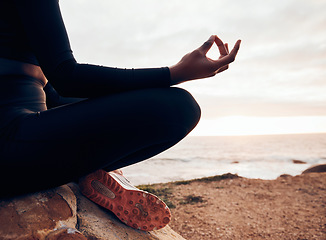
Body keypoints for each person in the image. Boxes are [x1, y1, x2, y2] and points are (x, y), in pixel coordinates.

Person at [0, 0, 241, 231]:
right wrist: (176, 73)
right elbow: (66, 76)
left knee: (130, 105)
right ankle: (87, 170)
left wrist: (114, 107)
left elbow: (53, 94)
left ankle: (82, 169)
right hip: (10, 144)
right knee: (179, 107)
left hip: (22, 132)